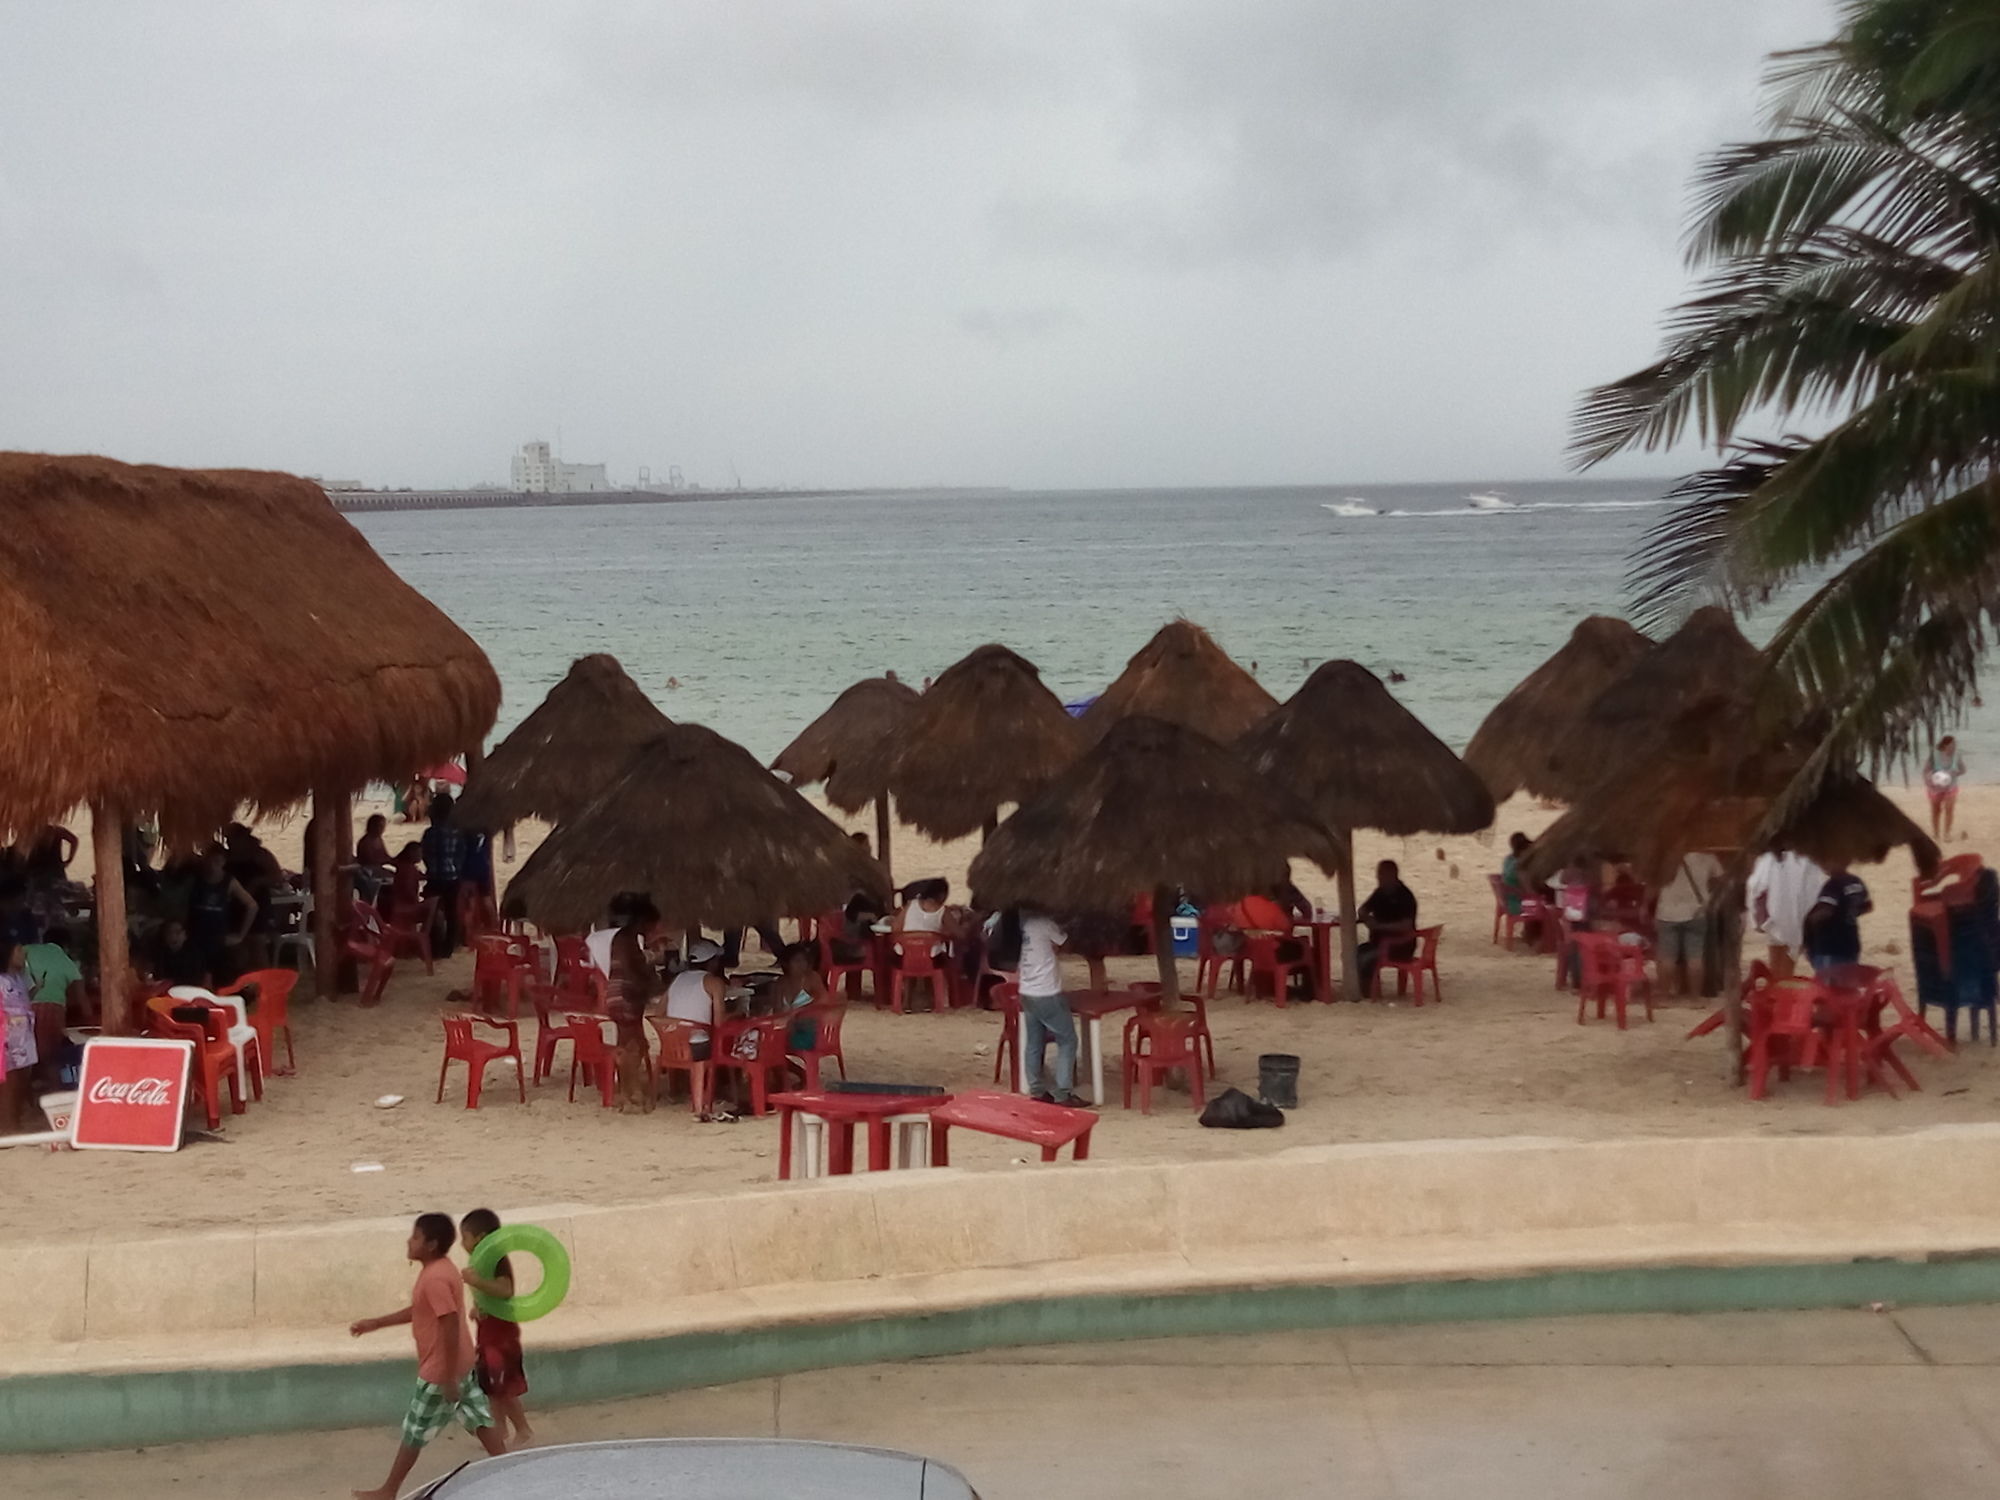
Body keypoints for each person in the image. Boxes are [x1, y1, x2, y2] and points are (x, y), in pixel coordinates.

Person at [349, 1213, 508, 1498]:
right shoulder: (444, 1269)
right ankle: (513, 1473)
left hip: (440, 1370)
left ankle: (388, 1491)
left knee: (414, 1431)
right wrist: (376, 1323)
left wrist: (446, 1378)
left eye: (416, 1237)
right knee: (479, 1420)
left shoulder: (434, 1278)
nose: (410, 1241)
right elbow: (423, 1311)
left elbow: (447, 1323)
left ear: (431, 1244)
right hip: (462, 1362)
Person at [458, 1208, 532, 1448]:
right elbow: (488, 1297)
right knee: (493, 1387)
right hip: (488, 1331)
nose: (462, 1243)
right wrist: (477, 1310)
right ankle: (503, 1430)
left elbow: (505, 1290)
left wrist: (478, 1282)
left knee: (500, 1388)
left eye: (465, 1237)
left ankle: (519, 1429)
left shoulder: (498, 1259)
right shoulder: (481, 1261)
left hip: (502, 1335)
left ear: (479, 1238)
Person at [1008, 907, 1086, 1106]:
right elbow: (1066, 944)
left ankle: (1037, 1089)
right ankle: (1063, 1093)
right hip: (1047, 991)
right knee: (1067, 1040)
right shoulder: (1044, 923)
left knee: (1034, 1042)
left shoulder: (1018, 925)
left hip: (1027, 990)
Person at [609, 896, 663, 1114]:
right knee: (634, 1046)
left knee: (628, 1045)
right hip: (625, 997)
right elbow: (632, 970)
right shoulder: (625, 940)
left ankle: (624, 1093)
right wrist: (649, 983)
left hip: (621, 996)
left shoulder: (625, 938)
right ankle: (632, 1092)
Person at [1746, 850, 1827, 978]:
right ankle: (1780, 992)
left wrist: (1756, 919)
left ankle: (1774, 990)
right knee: (1786, 968)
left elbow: (1755, 887)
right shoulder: (1808, 860)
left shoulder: (1769, 857)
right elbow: (1815, 892)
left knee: (1776, 964)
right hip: (1796, 919)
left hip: (1773, 918)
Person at [1654, 851, 1723, 997]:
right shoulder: (1709, 857)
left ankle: (1664, 996)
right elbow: (1720, 880)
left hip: (1667, 912)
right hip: (1696, 912)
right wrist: (1709, 899)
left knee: (1667, 958)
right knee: (1695, 958)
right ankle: (1695, 998)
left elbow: (1653, 884)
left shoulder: (1665, 858)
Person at [185, 846, 257, 985]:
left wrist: (241, 935)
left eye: (217, 861)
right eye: (209, 861)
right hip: (195, 934)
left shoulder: (229, 882)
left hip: (218, 936)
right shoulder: (196, 879)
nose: (212, 865)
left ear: (223, 862)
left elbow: (252, 905)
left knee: (220, 975)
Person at [24, 925, 84, 1080]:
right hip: (52, 1009)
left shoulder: (26, 949)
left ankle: (27, 1093)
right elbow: (81, 997)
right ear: (66, 945)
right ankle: (52, 1091)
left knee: (24, 1057)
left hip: (20, 1007)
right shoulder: (65, 960)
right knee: (49, 1056)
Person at [666, 937, 728, 1078]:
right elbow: (719, 1023)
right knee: (728, 1043)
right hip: (697, 1048)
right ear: (712, 962)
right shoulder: (715, 982)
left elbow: (659, 1011)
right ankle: (720, 1083)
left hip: (672, 1045)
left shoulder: (678, 979)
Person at [1356, 860, 1418, 996]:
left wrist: (1379, 926)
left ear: (1392, 875)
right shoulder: (1380, 893)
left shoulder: (1405, 896)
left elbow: (1405, 926)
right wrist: (1367, 919)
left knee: (1367, 958)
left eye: (1382, 875)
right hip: (1379, 943)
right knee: (1353, 953)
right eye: (1378, 874)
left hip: (1401, 945)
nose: (1378, 878)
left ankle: (1367, 993)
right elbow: (1362, 910)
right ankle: (1365, 990)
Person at [421, 794, 469, 959]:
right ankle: (448, 947)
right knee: (451, 912)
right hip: (452, 877)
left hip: (434, 877)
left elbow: (425, 854)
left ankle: (434, 946)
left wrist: (432, 867)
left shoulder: (430, 833)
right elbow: (461, 854)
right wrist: (456, 868)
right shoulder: (456, 832)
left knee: (431, 913)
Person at [1805, 861, 1872, 977]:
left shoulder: (1832, 885)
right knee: (1847, 986)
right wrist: (1848, 913)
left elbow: (1825, 912)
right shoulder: (1856, 882)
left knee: (1829, 990)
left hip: (1829, 947)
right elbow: (1868, 906)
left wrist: (1808, 925)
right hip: (1851, 944)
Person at [1, 940, 37, 1132]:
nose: (23, 954)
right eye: (19, 951)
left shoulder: (19, 979)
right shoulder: (1, 980)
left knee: (22, 1079)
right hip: (8, 1038)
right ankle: (9, 1123)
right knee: (10, 1081)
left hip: (24, 1037)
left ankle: (16, 1119)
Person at [776, 942, 832, 1055]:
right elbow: (777, 1011)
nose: (802, 965)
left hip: (810, 1034)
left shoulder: (812, 979)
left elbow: (825, 1001)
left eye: (804, 961)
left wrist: (798, 1012)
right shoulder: (780, 983)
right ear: (786, 964)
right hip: (788, 1031)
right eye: (797, 961)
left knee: (771, 1044)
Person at [144, 919, 211, 987]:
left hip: (188, 990)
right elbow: (149, 972)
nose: (173, 936)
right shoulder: (159, 953)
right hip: (163, 990)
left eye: (177, 932)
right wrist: (149, 978)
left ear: (185, 935)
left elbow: (198, 979)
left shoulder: (195, 955)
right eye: (169, 932)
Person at [1927, 735, 1967, 841]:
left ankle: (1947, 834)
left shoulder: (1957, 756)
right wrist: (1930, 781)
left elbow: (1963, 770)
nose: (1954, 746)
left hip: (1951, 787)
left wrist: (1953, 774)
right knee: (1936, 810)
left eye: (1955, 744)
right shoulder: (1935, 755)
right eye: (1952, 744)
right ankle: (1936, 833)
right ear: (1945, 745)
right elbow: (1926, 770)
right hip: (1936, 788)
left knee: (1949, 809)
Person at [1499, 832, 1533, 916]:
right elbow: (1529, 892)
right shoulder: (1521, 867)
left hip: (1507, 900)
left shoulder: (1509, 859)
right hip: (1517, 904)